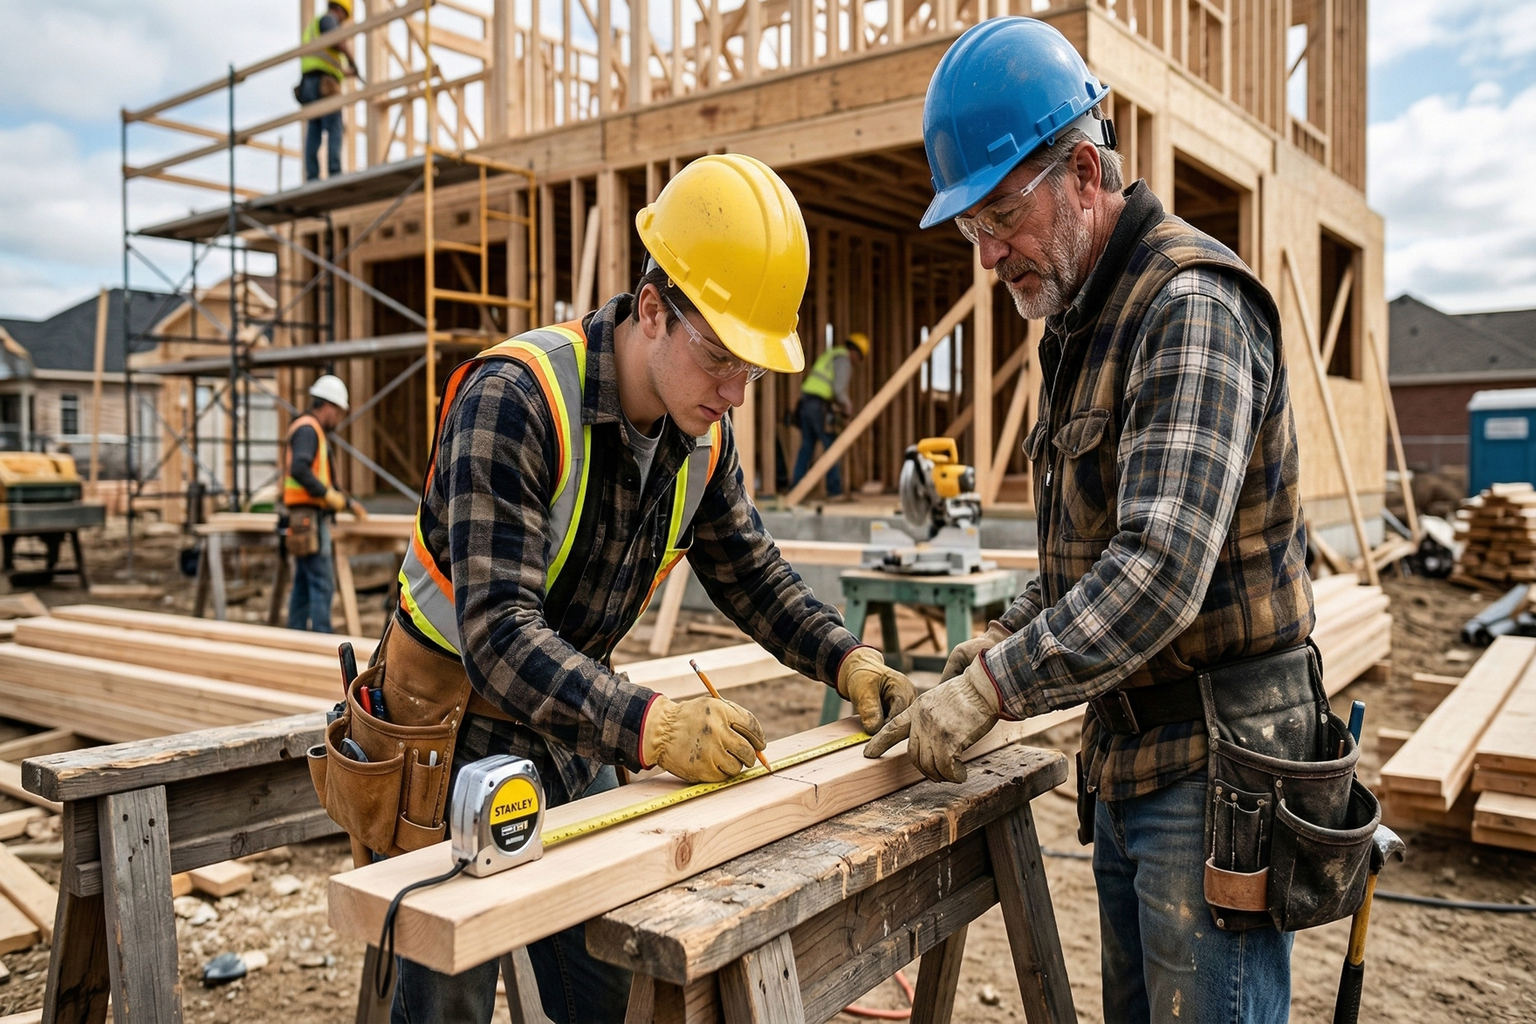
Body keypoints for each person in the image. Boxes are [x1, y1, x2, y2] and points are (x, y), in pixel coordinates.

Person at [378, 154, 915, 1023]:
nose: (736, 392)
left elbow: (752, 575)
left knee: (613, 992)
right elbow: (499, 635)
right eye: (721, 358)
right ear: (654, 310)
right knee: (447, 1000)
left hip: (574, 729)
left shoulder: (700, 431)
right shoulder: (516, 397)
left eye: (756, 370)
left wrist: (848, 660)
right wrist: (652, 726)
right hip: (452, 734)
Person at [867, 18, 1315, 1024]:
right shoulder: (1079, 320)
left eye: (998, 220)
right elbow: (1088, 558)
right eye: (972, 232)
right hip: (1131, 761)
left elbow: (1157, 569)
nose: (989, 259)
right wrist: (995, 639)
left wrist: (991, 685)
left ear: (1081, 169)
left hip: (1218, 774)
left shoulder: (1187, 304)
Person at [283, 374, 365, 632]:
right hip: (309, 516)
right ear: (328, 406)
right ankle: (322, 638)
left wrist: (348, 503)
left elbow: (324, 478)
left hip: (303, 516)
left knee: (304, 583)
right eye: (338, 412)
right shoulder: (308, 430)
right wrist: (328, 496)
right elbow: (300, 468)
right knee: (322, 582)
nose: (338, 419)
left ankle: (296, 637)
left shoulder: (310, 430)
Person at [791, 331, 867, 497]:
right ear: (855, 352)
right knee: (832, 446)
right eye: (859, 358)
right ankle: (834, 490)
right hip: (818, 405)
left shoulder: (832, 354)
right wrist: (847, 405)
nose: (856, 362)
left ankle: (796, 489)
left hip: (805, 403)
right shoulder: (844, 360)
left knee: (807, 446)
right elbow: (838, 390)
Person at [298, 0, 359, 181]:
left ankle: (312, 175)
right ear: (340, 10)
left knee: (315, 127)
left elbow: (325, 60)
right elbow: (338, 42)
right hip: (325, 83)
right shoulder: (329, 19)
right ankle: (334, 171)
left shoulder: (314, 26)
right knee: (334, 125)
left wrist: (347, 72)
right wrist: (351, 59)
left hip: (309, 83)